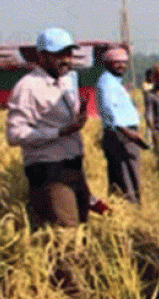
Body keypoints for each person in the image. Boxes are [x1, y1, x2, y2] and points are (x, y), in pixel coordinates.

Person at [6, 27, 98, 227]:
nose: (66, 59)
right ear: (42, 56)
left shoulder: (64, 82)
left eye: (69, 53)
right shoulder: (28, 87)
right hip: (49, 172)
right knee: (66, 235)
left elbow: (66, 125)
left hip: (73, 166)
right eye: (59, 54)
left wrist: (78, 119)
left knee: (82, 228)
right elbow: (14, 134)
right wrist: (59, 132)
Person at [95, 45, 149, 204]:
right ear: (107, 64)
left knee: (128, 172)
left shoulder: (113, 82)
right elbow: (109, 110)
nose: (122, 66)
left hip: (124, 133)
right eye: (116, 63)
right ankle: (130, 208)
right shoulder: (107, 83)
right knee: (125, 174)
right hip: (121, 134)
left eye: (124, 62)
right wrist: (127, 132)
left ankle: (131, 206)